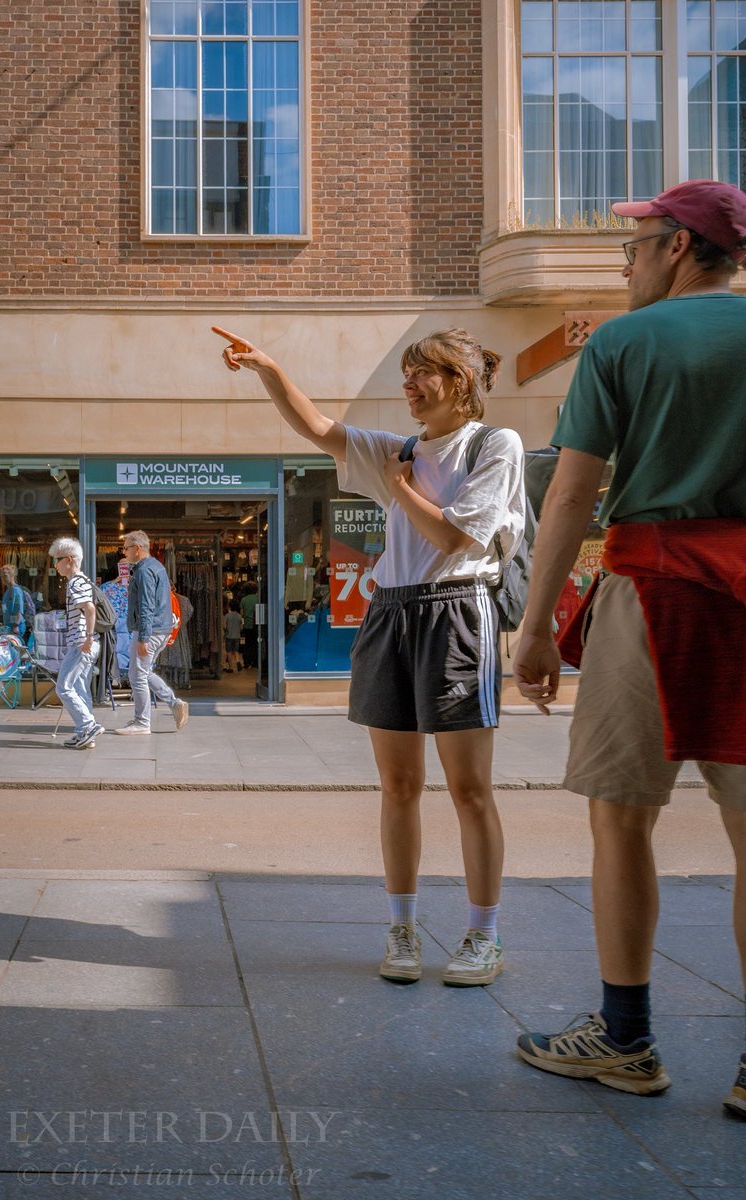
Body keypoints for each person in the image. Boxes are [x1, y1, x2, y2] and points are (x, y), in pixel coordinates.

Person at [512, 180, 746, 1122]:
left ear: (678, 248)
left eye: (633, 245)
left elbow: (572, 497)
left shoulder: (622, 344)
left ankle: (626, 1042)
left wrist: (538, 623)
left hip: (649, 594)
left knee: (621, 821)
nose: (623, 261)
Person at [215, 324, 525, 986]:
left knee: (470, 790)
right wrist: (268, 367)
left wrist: (400, 486)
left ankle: (483, 935)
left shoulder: (493, 445)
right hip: (392, 614)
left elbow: (451, 536)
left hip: (457, 610)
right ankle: (404, 929)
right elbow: (320, 428)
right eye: (406, 373)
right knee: (398, 786)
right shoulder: (401, 448)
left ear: (459, 382)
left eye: (421, 373)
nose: (408, 385)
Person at [115, 530, 189, 735]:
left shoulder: (144, 570)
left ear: (137, 549)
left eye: (126, 547)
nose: (124, 551)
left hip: (150, 630)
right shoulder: (156, 566)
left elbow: (146, 604)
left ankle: (142, 722)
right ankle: (174, 704)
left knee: (137, 675)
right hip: (160, 628)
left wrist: (144, 637)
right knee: (143, 673)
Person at [48, 537, 104, 750]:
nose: (55, 565)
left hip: (81, 643)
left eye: (58, 560)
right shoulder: (82, 580)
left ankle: (88, 725)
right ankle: (84, 734)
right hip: (84, 642)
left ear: (69, 559)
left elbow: (90, 609)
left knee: (64, 688)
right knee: (80, 689)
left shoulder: (75, 582)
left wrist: (88, 638)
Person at [0, 565, 26, 638]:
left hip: (15, 627)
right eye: (1, 576)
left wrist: (16, 626)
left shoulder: (16, 590)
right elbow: (10, 606)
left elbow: (19, 609)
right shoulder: (8, 590)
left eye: (5, 575)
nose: (3, 578)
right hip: (9, 627)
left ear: (12, 576)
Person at [240, 585, 259, 668]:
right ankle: (255, 661)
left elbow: (242, 614)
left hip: (247, 625)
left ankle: (247, 661)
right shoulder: (258, 598)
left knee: (248, 644)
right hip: (257, 624)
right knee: (256, 643)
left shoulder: (243, 600)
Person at [223, 601, 244, 673]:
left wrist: (226, 630)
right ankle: (238, 661)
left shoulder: (227, 616)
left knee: (229, 651)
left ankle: (231, 667)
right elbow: (241, 627)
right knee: (236, 650)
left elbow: (224, 626)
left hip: (229, 636)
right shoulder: (239, 616)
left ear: (230, 607)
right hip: (237, 636)